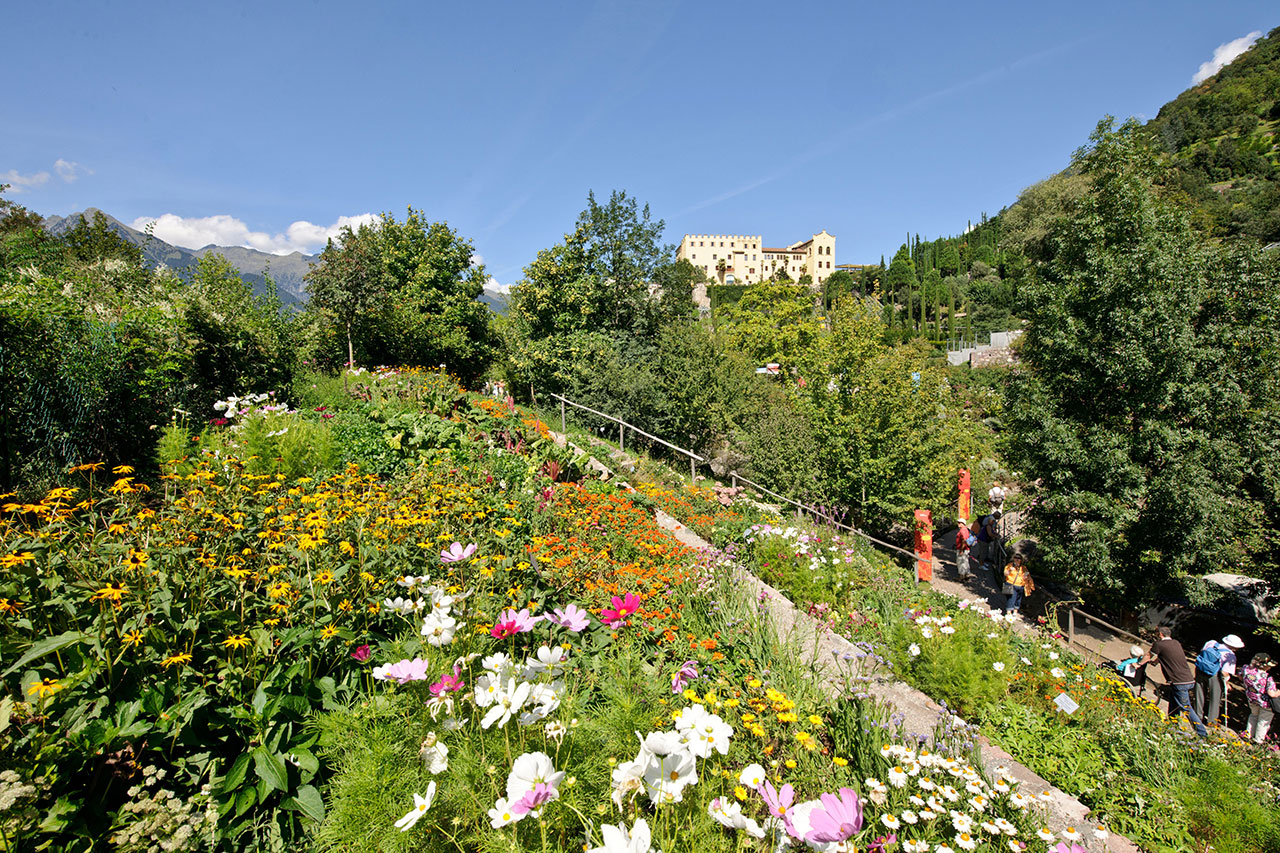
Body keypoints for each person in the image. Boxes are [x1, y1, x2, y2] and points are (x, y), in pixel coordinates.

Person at [1138, 626, 1207, 737]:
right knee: (1174, 703)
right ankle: (1171, 726)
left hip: (1179, 681)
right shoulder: (1176, 643)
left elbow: (1148, 655)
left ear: (1160, 634)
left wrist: (1138, 664)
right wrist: (1155, 662)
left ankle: (1202, 733)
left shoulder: (1159, 644)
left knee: (1186, 707)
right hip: (1188, 679)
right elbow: (1166, 656)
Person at [1193, 634, 1244, 726]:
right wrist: (1227, 683)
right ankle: (1212, 721)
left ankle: (1197, 717)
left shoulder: (1211, 643)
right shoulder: (1230, 655)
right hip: (1214, 675)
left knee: (1199, 693)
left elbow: (1202, 652)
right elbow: (1225, 672)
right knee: (1215, 698)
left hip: (1201, 670)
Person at [1241, 652, 1280, 744]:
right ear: (1263, 666)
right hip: (1265, 703)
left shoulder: (1246, 670)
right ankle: (1258, 741)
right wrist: (1278, 692)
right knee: (1263, 721)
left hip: (1252, 699)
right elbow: (1271, 694)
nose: (1270, 667)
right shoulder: (1267, 677)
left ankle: (1248, 734)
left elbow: (1240, 676)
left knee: (1253, 715)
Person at [975, 510, 1002, 577]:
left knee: (985, 551)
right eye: (993, 521)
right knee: (982, 552)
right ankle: (981, 564)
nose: (994, 522)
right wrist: (996, 536)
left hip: (985, 541)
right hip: (983, 540)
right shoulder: (988, 526)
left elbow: (992, 532)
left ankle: (983, 563)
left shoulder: (990, 526)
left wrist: (995, 534)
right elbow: (990, 534)